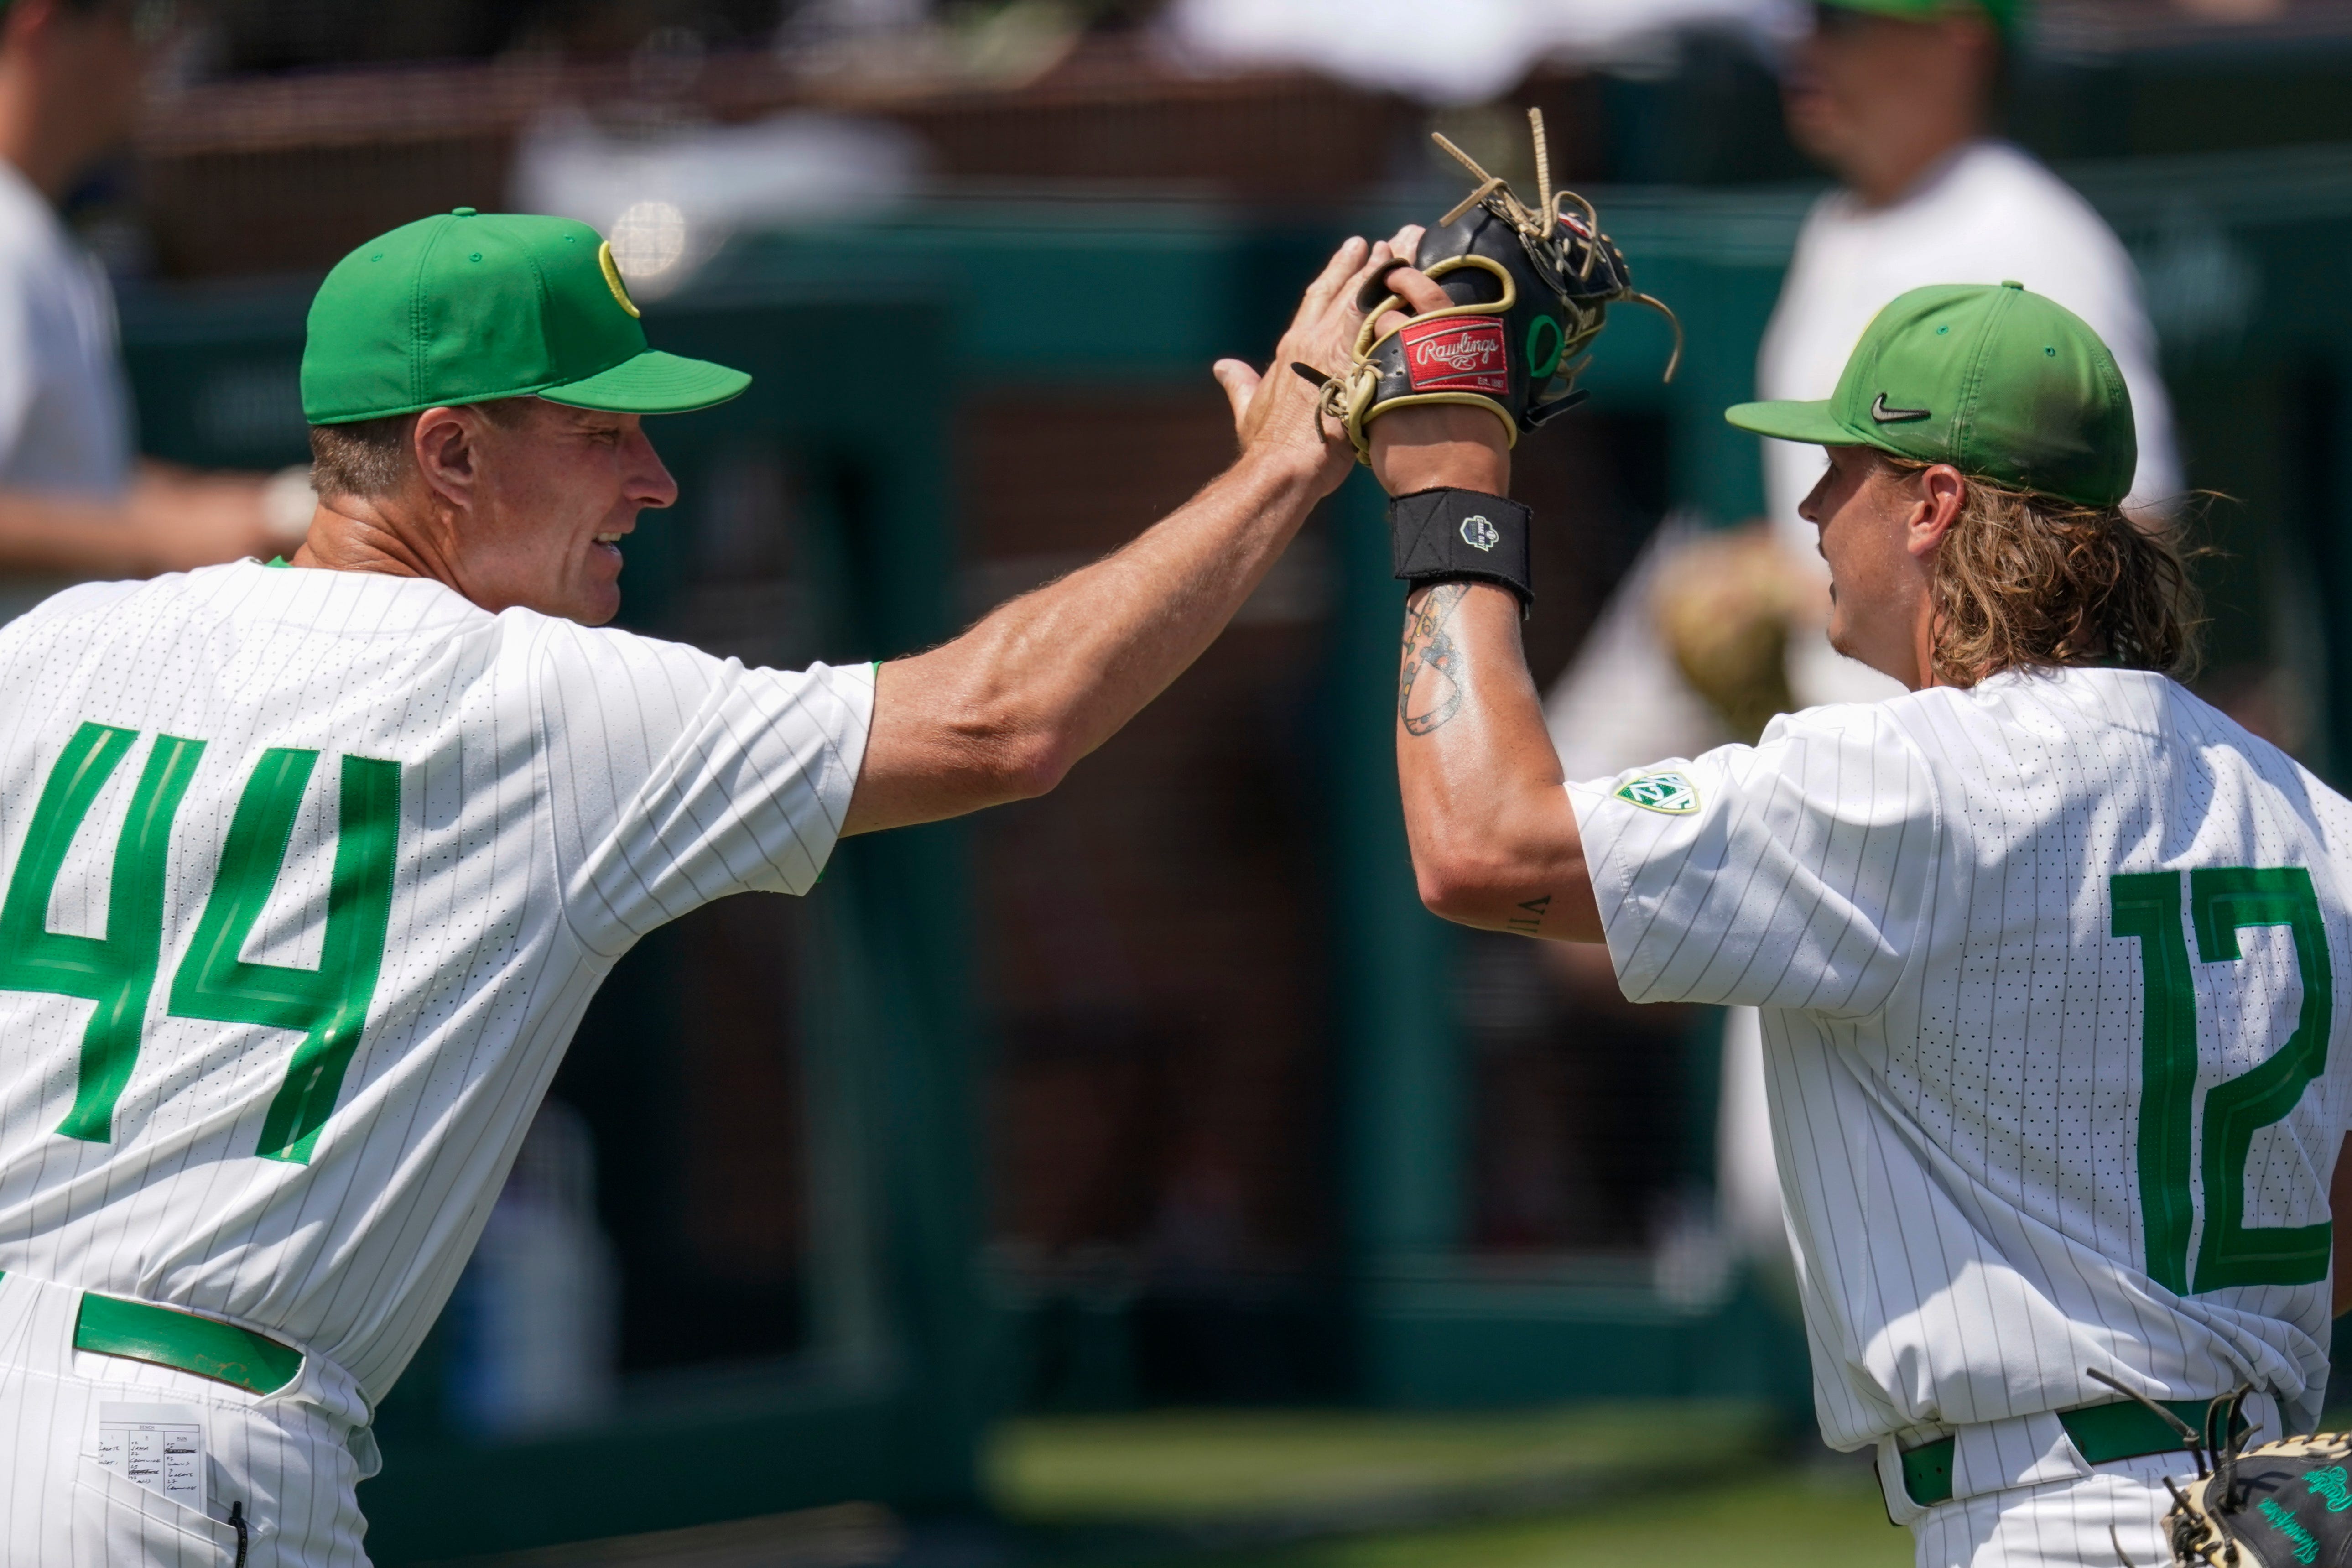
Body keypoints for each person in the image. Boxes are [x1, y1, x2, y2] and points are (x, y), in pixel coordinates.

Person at [0, 206, 1426, 1562]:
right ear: (448, 453)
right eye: (603, 431)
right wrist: (1281, 464)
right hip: (163, 1452)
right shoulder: (531, 700)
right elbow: (1003, 721)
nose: (656, 478)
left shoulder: (59, 646)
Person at [1377, 271, 2350, 1566]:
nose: (1810, 506)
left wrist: (1452, 505)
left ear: (1933, 506)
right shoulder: (2311, 814)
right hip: (2272, 1521)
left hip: (2043, 1521)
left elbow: (1480, 845)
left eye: (1844, 467)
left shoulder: (1900, 781)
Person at [1539, 0, 2184, 1289]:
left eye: (1848, 22)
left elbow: (2132, 523)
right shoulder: (1840, 226)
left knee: (1878, 1237)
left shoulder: (2033, 234)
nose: (1808, 48)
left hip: (1967, 812)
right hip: (1859, 786)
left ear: (1958, 38)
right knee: (1794, 1216)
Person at [0, 0, 293, 622]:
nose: (158, 53)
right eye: (137, 20)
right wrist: (157, 539)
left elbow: (61, 475)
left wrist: (239, 507)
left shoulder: (38, 231)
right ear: (44, 24)